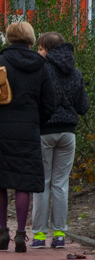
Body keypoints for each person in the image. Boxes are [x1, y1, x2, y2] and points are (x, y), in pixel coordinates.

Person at [0, 21, 55, 253]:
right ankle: (20, 234)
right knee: (22, 183)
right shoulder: (41, 65)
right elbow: (50, 102)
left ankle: (2, 231)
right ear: (29, 38)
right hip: (27, 130)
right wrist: (36, 121)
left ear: (9, 37)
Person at [30, 32, 89, 249]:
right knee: (61, 184)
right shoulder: (76, 72)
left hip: (45, 132)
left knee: (42, 183)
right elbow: (83, 107)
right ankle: (60, 234)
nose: (38, 53)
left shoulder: (41, 70)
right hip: (68, 133)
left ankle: (38, 236)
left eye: (40, 49)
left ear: (48, 49)